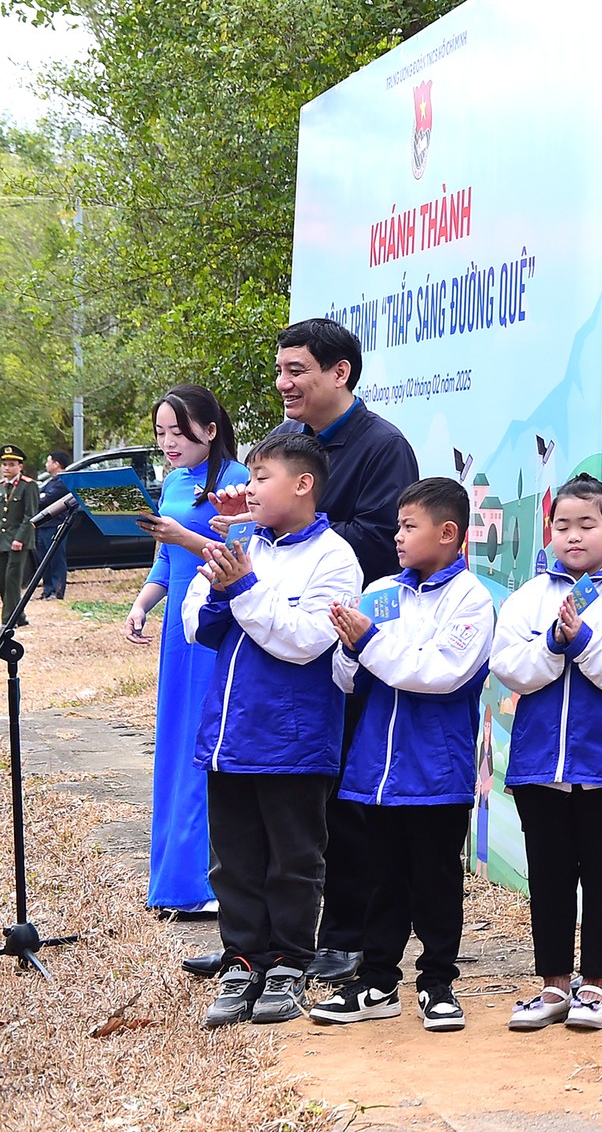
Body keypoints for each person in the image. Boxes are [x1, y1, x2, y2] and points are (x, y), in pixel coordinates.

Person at [207, 317, 419, 986]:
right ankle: (260, 944)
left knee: (341, 805)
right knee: (267, 821)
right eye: (279, 371)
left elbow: (385, 543)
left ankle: (342, 938)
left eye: (296, 370)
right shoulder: (287, 443)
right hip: (269, 647)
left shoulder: (383, 445)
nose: (283, 384)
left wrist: (289, 529)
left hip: (348, 642)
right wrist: (257, 521)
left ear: (340, 373)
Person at [183, 433, 362, 1028]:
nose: (248, 487)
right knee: (232, 859)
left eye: (261, 477)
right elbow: (193, 623)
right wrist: (225, 570)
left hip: (292, 737)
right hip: (229, 731)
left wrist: (242, 587)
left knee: (293, 857)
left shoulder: (334, 557)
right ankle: (242, 958)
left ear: (303, 484)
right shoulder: (240, 540)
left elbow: (307, 640)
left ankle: (287, 962)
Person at [311, 477, 495, 1033]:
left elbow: (438, 673)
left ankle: (437, 982)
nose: (396, 536)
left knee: (436, 879)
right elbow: (349, 679)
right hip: (376, 769)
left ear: (448, 533)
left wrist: (369, 642)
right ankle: (376, 982)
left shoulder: (472, 599)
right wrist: (349, 648)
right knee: (379, 877)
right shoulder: (382, 590)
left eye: (408, 526)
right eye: (397, 525)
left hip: (436, 771)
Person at [490, 475, 602, 1033]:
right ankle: (553, 985)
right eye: (562, 525)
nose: (573, 536)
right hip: (542, 765)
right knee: (551, 875)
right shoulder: (528, 598)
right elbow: (507, 665)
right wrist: (551, 644)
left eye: (587, 525)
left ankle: (597, 985)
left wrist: (584, 641)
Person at [128, 388, 248, 915]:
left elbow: (241, 556)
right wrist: (142, 604)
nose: (169, 444)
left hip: (216, 628)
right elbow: (164, 557)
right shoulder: (174, 482)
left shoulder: (240, 482)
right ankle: (174, 881)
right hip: (177, 633)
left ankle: (208, 882)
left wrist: (183, 535)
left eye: (178, 432)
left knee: (207, 745)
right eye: (160, 434)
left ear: (210, 429)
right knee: (174, 745)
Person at [0, 445, 36, 622]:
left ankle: (8, 620)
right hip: (2, 540)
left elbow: (30, 515)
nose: (7, 468)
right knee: (2, 581)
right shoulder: (1, 486)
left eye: (11, 464)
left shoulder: (27, 486)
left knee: (12, 580)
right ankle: (19, 615)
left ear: (20, 466)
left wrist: (20, 538)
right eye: (4, 464)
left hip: (17, 540)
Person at [34, 450, 71, 600]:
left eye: (48, 461)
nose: (46, 464)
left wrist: (42, 497)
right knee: (43, 559)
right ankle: (47, 590)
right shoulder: (51, 482)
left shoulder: (63, 482)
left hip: (56, 524)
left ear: (56, 464)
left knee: (56, 558)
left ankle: (57, 590)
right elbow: (40, 496)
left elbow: (45, 500)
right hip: (43, 525)